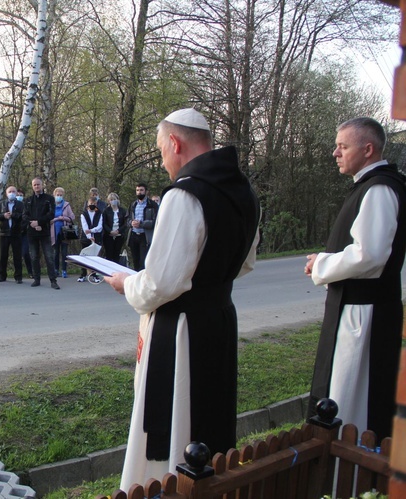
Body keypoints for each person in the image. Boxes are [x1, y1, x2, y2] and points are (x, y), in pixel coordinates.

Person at [104, 108, 260, 489]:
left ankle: (167, 487)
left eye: (161, 150)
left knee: (174, 423)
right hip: (219, 319)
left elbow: (161, 284)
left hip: (182, 330)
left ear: (175, 143)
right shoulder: (245, 192)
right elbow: (244, 264)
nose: (162, 161)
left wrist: (127, 284)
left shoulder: (185, 194)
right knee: (210, 416)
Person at [304, 117, 406, 440]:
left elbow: (370, 255)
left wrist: (323, 264)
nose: (335, 152)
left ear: (368, 149)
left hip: (364, 316)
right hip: (357, 309)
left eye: (343, 146)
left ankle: (349, 476)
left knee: (353, 400)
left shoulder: (379, 189)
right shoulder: (371, 186)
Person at [23, 177, 60, 289]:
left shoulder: (49, 199)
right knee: (34, 257)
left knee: (49, 256)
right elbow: (24, 216)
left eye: (38, 184)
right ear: (32, 186)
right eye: (34, 185)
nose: (36, 187)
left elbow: (51, 214)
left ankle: (53, 281)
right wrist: (33, 224)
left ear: (42, 185)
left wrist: (40, 223)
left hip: (44, 232)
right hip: (32, 233)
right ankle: (36, 279)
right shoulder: (28, 200)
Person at [0, 185, 25, 283]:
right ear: (6, 194)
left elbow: (23, 216)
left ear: (16, 193)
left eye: (13, 191)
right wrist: (3, 215)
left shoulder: (20, 204)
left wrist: (13, 215)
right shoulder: (1, 204)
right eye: (10, 191)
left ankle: (18, 277)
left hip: (16, 233)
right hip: (4, 233)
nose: (12, 193)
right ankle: (2, 276)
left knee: (17, 256)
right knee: (3, 255)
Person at [126, 182, 159, 271]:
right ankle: (136, 278)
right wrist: (131, 223)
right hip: (133, 235)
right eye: (137, 190)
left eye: (141, 190)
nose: (139, 192)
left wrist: (141, 223)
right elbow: (127, 219)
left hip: (145, 236)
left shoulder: (152, 205)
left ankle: (143, 281)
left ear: (146, 192)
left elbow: (154, 222)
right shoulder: (133, 205)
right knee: (135, 260)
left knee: (143, 261)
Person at [77, 194, 104, 283]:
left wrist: (92, 230)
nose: (93, 204)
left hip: (97, 237)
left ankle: (94, 275)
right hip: (86, 238)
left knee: (95, 257)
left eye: (94, 203)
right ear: (88, 203)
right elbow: (85, 227)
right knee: (84, 256)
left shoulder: (99, 213)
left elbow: (100, 227)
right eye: (91, 203)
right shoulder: (83, 214)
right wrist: (89, 237)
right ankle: (83, 274)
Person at [51, 187, 75, 279]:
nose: (59, 196)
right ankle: (56, 270)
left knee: (64, 252)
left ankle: (64, 270)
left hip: (64, 232)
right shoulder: (51, 205)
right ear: (54, 195)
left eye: (61, 195)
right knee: (55, 252)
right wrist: (56, 219)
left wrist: (63, 218)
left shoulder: (66, 205)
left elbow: (72, 217)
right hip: (54, 231)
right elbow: (48, 219)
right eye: (58, 195)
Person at [102, 192, 127, 264]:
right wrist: (110, 231)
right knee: (109, 254)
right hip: (109, 235)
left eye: (114, 199)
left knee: (117, 254)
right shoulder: (106, 211)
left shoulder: (122, 210)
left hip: (119, 235)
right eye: (111, 199)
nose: (113, 201)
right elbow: (104, 223)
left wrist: (118, 231)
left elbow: (125, 223)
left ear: (117, 200)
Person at [17, 188, 34, 277]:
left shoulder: (26, 205)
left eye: (21, 195)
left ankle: (31, 272)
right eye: (17, 195)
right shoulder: (10, 205)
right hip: (14, 233)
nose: (19, 197)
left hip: (25, 233)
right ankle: (18, 273)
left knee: (25, 252)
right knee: (16, 254)